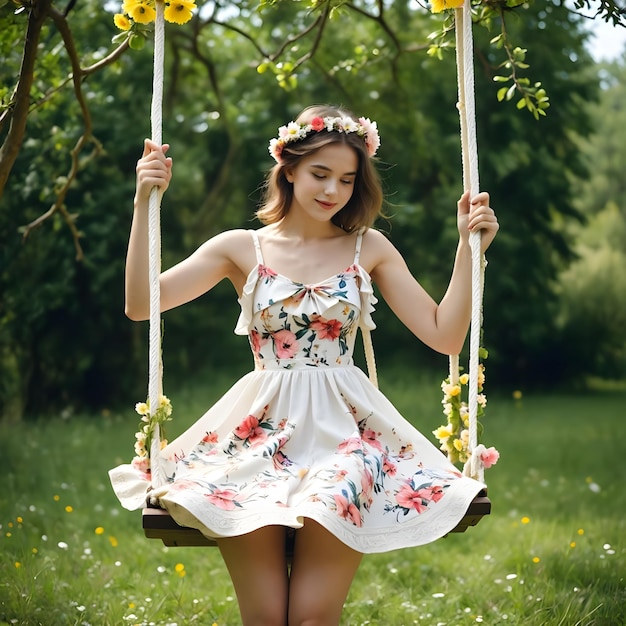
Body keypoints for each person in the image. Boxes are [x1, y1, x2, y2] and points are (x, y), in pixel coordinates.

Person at [110, 104, 499, 626]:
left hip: (345, 438)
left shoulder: (369, 247)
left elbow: (444, 334)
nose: (332, 191)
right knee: (267, 618)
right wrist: (143, 202)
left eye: (346, 179)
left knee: (314, 617)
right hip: (258, 436)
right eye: (320, 174)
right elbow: (141, 304)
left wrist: (468, 249)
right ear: (288, 168)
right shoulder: (239, 248)